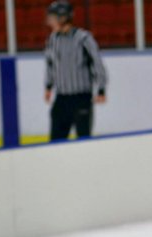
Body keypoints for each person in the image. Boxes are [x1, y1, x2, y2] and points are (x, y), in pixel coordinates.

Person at [44, 0, 107, 142]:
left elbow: (97, 63)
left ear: (63, 18)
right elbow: (50, 64)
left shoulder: (83, 38)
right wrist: (48, 86)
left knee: (83, 141)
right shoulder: (52, 39)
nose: (50, 22)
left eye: (53, 18)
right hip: (61, 98)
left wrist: (101, 89)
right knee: (55, 143)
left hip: (81, 98)